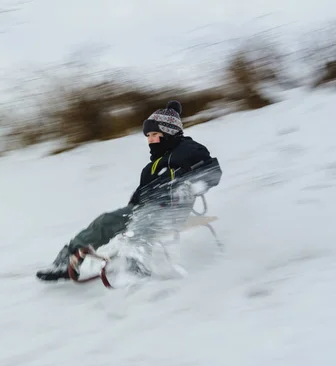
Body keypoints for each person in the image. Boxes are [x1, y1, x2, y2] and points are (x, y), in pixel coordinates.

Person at [36, 100, 222, 282]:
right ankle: (67, 261)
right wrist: (129, 210)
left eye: (155, 134)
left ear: (169, 132)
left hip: (171, 211)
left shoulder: (188, 150)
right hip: (144, 210)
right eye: (148, 135)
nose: (150, 140)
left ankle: (136, 270)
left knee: (139, 226)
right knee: (105, 221)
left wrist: (191, 185)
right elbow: (141, 196)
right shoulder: (151, 167)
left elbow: (212, 171)